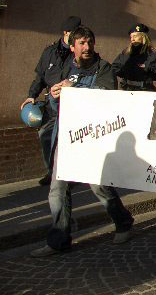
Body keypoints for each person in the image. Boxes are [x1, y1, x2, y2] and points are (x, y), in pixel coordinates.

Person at [30, 26, 134, 257]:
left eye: (90, 43)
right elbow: (58, 103)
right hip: (66, 137)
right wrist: (55, 95)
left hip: (91, 138)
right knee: (57, 189)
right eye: (82, 44)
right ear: (73, 47)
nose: (87, 47)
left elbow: (105, 98)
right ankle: (59, 240)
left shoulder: (104, 68)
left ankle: (123, 222)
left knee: (98, 185)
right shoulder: (67, 67)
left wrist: (74, 89)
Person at [20, 16, 81, 185]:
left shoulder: (79, 51)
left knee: (71, 138)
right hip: (52, 104)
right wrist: (32, 95)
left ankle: (71, 173)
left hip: (72, 104)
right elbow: (40, 77)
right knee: (45, 135)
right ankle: (51, 171)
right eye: (74, 33)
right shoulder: (49, 52)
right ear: (66, 32)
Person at [112, 24, 156, 91]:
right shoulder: (126, 52)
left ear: (143, 37)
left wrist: (147, 70)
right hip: (127, 89)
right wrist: (126, 72)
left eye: (135, 36)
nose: (132, 39)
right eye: (131, 37)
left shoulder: (152, 53)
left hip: (145, 90)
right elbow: (115, 68)